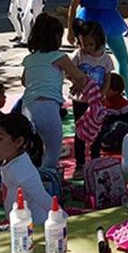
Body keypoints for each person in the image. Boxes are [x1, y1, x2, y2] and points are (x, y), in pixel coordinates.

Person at [21, 13, 86, 169]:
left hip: (28, 107)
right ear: (57, 37)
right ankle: (47, 179)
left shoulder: (30, 59)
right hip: (47, 106)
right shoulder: (59, 56)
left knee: (34, 147)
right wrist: (77, 86)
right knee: (53, 149)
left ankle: (33, 175)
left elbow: (24, 81)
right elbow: (80, 76)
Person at [0, 113, 53, 224]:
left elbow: (44, 199)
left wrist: (65, 221)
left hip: (34, 226)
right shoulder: (9, 162)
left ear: (18, 142)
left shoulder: (19, 169)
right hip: (20, 225)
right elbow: (4, 197)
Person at [70, 19, 114, 177]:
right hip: (80, 100)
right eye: (84, 44)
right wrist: (76, 82)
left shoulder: (105, 58)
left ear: (99, 41)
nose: (87, 48)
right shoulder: (78, 55)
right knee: (80, 131)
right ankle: (80, 163)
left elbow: (108, 78)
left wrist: (103, 92)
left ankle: (95, 159)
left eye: (90, 44)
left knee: (97, 130)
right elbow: (70, 72)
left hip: (97, 102)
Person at [101, 73, 128, 151]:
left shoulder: (123, 104)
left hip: (118, 131)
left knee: (120, 126)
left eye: (107, 88)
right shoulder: (102, 100)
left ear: (115, 91)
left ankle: (106, 142)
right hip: (105, 128)